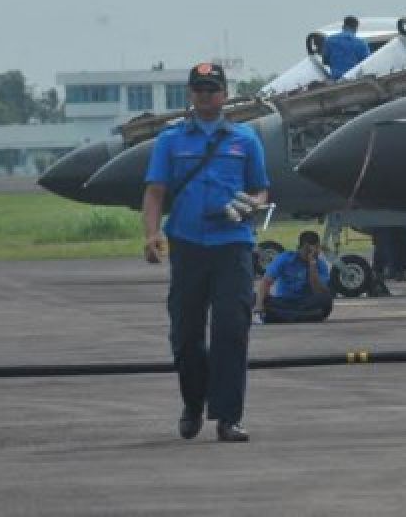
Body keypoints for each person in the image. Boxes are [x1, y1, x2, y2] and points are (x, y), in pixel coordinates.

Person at [142, 62, 269, 442]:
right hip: (188, 245)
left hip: (232, 246)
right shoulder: (171, 140)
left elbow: (262, 189)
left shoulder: (245, 139)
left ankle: (228, 417)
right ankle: (193, 404)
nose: (206, 96)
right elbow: (154, 192)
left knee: (232, 329)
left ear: (225, 95)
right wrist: (151, 235)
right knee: (185, 333)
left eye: (212, 89)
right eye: (199, 90)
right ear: (190, 95)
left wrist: (250, 204)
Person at [257, 231, 334, 322]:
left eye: (314, 250)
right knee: (259, 298)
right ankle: (303, 317)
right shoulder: (285, 259)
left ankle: (285, 316)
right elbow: (266, 281)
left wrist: (312, 265)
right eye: (307, 250)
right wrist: (260, 305)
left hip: (306, 303)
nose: (310, 253)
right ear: (299, 248)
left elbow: (317, 290)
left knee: (326, 299)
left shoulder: (320, 264)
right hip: (285, 301)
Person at [321, 15, 370, 80]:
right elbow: (367, 63)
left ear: (343, 27)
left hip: (336, 79)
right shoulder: (361, 43)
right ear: (356, 28)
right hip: (354, 80)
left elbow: (325, 61)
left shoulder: (330, 40)